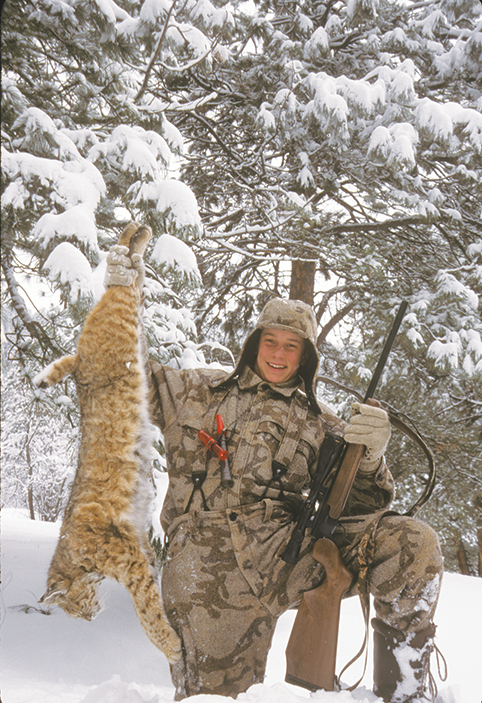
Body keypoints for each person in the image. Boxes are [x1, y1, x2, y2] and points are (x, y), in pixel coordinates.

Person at [106, 239, 444, 703]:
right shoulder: (195, 390)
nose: (279, 355)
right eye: (271, 342)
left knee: (412, 541)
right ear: (254, 344)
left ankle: (404, 690)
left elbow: (365, 504)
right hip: (209, 567)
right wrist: (121, 304)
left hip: (291, 553)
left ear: (306, 356)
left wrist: (370, 454)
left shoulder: (324, 422)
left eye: (292, 346)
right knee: (215, 700)